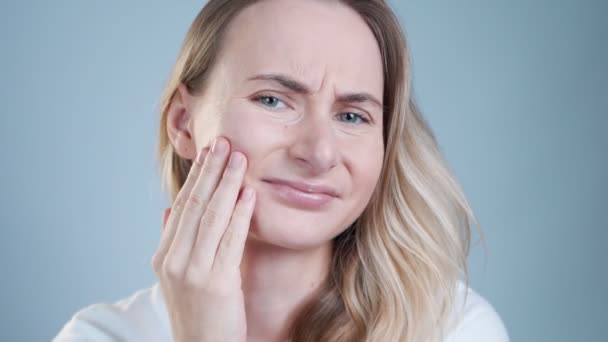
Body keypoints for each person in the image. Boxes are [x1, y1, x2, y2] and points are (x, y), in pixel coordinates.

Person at [54, 0, 509, 341]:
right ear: (183, 123)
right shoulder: (99, 336)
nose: (320, 152)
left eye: (352, 116)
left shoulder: (451, 328)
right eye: (273, 100)